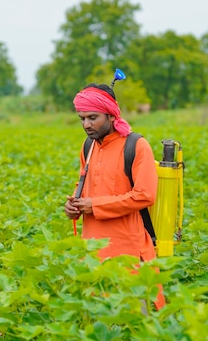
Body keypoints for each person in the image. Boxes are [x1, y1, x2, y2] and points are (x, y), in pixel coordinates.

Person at [63, 83, 165, 310]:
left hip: (127, 250)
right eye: (82, 118)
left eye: (93, 117)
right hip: (92, 250)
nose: (86, 124)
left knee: (135, 323)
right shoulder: (88, 145)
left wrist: (94, 205)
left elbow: (145, 195)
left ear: (111, 115)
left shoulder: (136, 145)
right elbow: (85, 183)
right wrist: (74, 204)